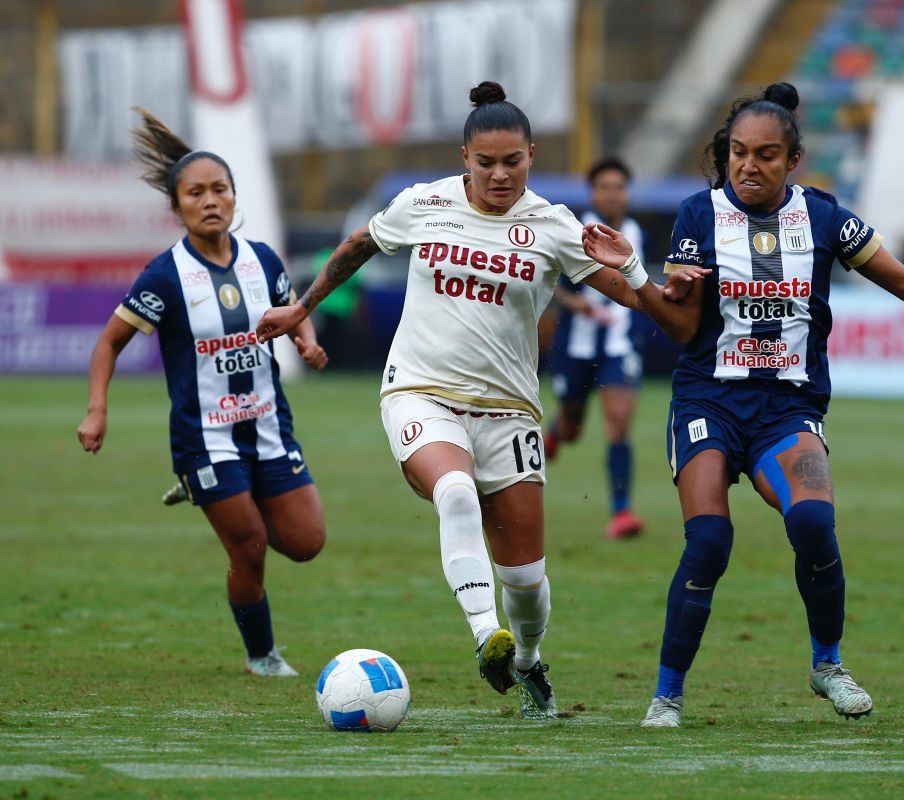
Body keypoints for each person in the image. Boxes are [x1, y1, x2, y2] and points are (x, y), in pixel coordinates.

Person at [613, 83, 904, 728]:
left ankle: (828, 665)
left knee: (814, 526)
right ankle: (667, 695)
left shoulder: (825, 219)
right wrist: (643, 278)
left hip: (787, 409)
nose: (748, 166)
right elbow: (679, 327)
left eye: (765, 154)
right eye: (738, 153)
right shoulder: (696, 217)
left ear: (793, 160)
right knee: (708, 541)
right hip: (709, 399)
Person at [254, 81, 688, 720]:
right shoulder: (422, 204)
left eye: (512, 161)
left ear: (532, 156)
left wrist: (636, 272)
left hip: (509, 411)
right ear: (464, 158)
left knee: (528, 583)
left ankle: (528, 659)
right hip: (419, 391)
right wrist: (302, 305)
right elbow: (356, 248)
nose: (499, 174)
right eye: (485, 162)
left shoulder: (552, 226)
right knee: (453, 492)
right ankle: (488, 635)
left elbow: (635, 301)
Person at [77, 108, 329, 677]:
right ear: (177, 208)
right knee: (250, 547)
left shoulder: (263, 260)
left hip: (268, 428)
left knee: (307, 542)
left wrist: (307, 341)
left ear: (235, 198)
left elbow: (293, 312)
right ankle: (262, 655)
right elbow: (107, 344)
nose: (209, 200)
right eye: (195, 194)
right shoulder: (165, 277)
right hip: (205, 437)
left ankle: (223, 493)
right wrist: (97, 411)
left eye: (220, 189)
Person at [544, 157, 647, 539]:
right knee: (573, 428)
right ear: (592, 193)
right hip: (576, 344)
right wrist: (574, 304)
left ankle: (621, 513)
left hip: (620, 343)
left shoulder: (639, 233)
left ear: (627, 192)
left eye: (618, 187)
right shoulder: (570, 230)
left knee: (619, 422)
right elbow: (545, 278)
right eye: (604, 187)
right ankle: (557, 431)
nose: (612, 194)